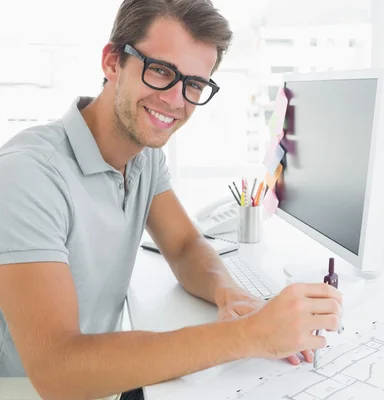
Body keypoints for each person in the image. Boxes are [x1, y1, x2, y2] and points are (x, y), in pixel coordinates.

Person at [0, 1, 343, 399]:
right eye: (161, 70)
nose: (177, 100)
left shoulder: (144, 157)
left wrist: (228, 292)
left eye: (195, 84)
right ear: (113, 62)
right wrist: (249, 335)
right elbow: (57, 370)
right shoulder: (27, 175)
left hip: (103, 381)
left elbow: (184, 245)